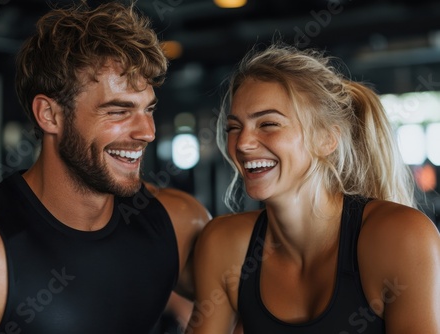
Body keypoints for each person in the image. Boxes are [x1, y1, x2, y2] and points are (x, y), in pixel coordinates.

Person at [0, 2, 211, 333]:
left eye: (148, 109)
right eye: (119, 111)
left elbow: (266, 301)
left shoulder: (178, 222)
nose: (147, 132)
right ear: (50, 115)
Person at [186, 43, 440, 333]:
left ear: (326, 140)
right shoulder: (225, 244)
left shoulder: (401, 236)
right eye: (234, 127)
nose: (243, 143)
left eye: (268, 124)